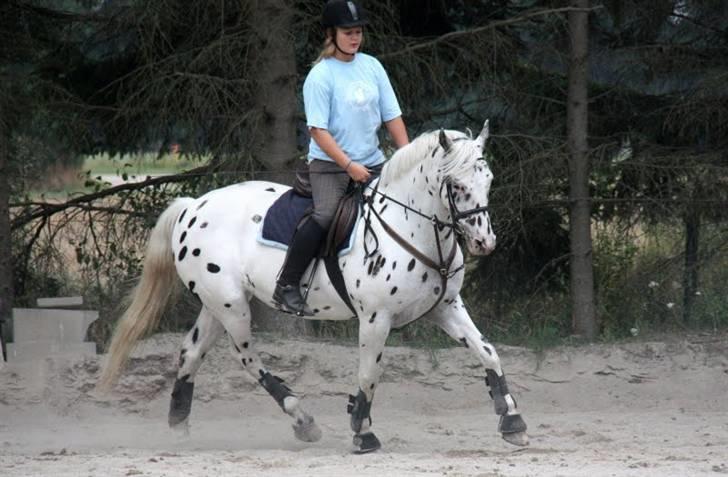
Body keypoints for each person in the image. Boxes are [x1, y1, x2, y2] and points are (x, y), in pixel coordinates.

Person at [273, 0, 410, 316]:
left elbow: (392, 116)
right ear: (331, 34)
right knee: (324, 215)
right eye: (348, 32)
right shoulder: (320, 76)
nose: (355, 38)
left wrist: (406, 156)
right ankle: (287, 285)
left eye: (358, 31)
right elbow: (318, 131)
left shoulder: (372, 66)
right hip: (330, 167)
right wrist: (349, 166)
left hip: (373, 161)